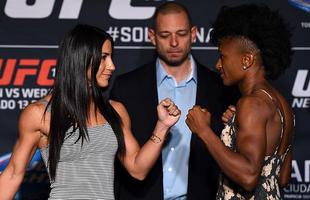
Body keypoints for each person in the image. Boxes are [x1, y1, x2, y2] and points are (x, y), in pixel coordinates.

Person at [0, 24, 181, 200]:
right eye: (104, 57)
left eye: (111, 57)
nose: (112, 66)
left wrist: (162, 126)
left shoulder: (115, 111)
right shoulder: (40, 113)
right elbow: (13, 174)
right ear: (81, 58)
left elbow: (138, 169)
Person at [110, 2, 235, 200]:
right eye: (165, 35)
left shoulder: (220, 88)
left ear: (193, 34)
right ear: (152, 37)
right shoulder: (126, 88)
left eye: (182, 34)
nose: (174, 43)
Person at [186, 4, 295, 199]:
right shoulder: (282, 105)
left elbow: (248, 176)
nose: (217, 64)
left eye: (222, 56)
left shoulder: (251, 104)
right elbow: (283, 178)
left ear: (246, 60)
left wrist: (204, 131)